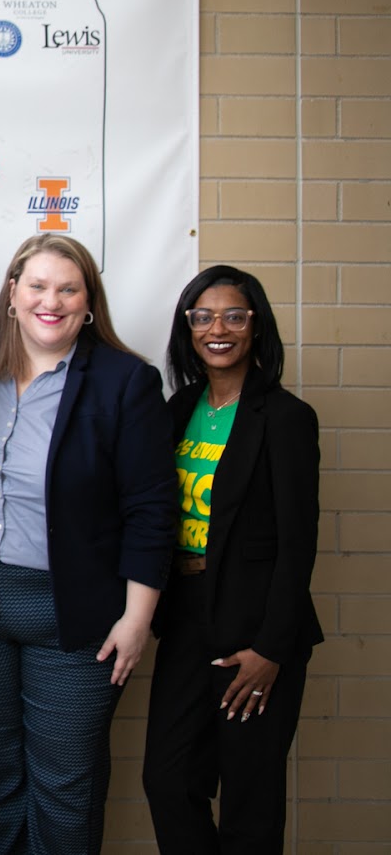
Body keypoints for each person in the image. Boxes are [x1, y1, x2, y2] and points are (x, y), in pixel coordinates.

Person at [0, 233, 179, 855]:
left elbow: (151, 511)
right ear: (12, 292)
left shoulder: (125, 382)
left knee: (65, 784)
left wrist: (137, 620)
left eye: (68, 289)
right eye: (38, 286)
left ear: (88, 302)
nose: (52, 301)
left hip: (75, 618)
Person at [142, 266, 322, 854]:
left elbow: (299, 544)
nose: (217, 328)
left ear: (256, 326)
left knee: (250, 795)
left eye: (234, 316)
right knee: (168, 779)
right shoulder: (179, 408)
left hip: (256, 629)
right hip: (188, 616)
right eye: (202, 316)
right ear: (187, 329)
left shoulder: (287, 418)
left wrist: (271, 648)